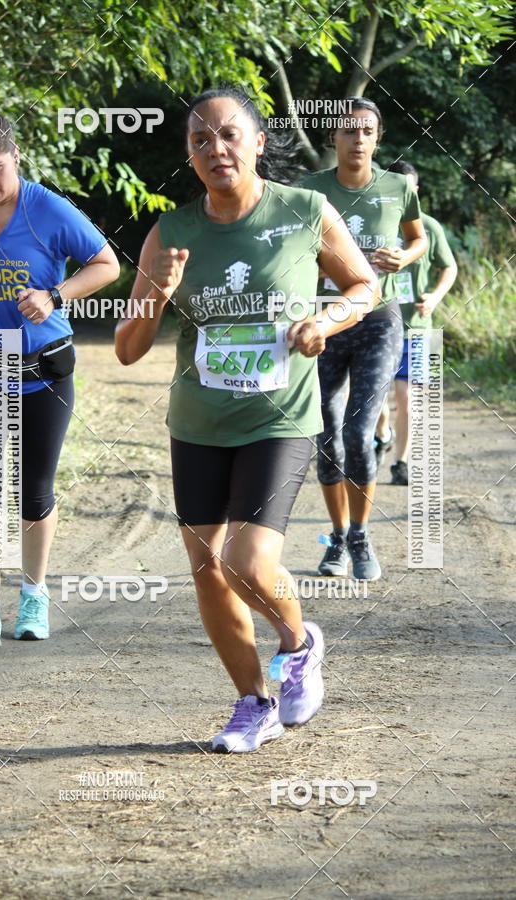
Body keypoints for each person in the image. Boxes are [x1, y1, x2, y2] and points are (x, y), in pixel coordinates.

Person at [116, 85, 380, 753]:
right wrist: (156, 294)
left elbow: (363, 287)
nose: (216, 149)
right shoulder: (171, 232)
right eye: (200, 140)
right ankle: (252, 703)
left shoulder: (305, 211)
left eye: (229, 134)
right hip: (198, 423)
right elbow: (126, 348)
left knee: (244, 562)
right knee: (208, 570)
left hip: (281, 418)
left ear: (258, 142)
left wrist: (326, 319)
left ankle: (298, 641)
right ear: (190, 155)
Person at [0, 111, 119, 649]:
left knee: (32, 491)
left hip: (42, 365)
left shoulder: (47, 209)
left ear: (15, 157)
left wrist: (55, 295)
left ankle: (34, 595)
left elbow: (106, 263)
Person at [300, 98, 427, 581]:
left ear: (378, 138)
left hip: (378, 317)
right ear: (333, 138)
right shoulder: (309, 190)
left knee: (358, 431)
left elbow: (419, 239)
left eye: (367, 131)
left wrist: (405, 257)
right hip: (325, 319)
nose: (358, 140)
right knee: (326, 434)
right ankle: (337, 535)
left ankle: (361, 533)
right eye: (348, 131)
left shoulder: (397, 187)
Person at [383, 160, 457, 485]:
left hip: (416, 329)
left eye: (408, 188)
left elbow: (449, 267)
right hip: (374, 327)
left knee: (407, 399)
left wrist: (435, 297)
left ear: (415, 191)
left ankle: (400, 462)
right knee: (369, 399)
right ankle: (382, 432)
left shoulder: (430, 227)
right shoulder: (374, 225)